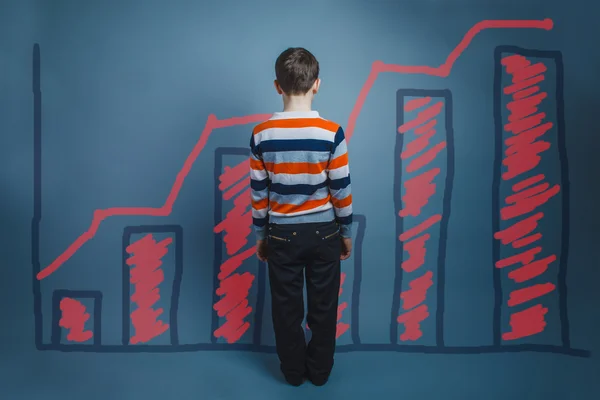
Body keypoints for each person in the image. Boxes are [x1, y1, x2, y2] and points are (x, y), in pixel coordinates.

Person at [249, 47, 353, 387]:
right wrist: (346, 232)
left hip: (281, 235)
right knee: (324, 309)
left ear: (277, 86)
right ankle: (320, 373)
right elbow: (341, 189)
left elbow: (258, 193)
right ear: (317, 84)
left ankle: (293, 373)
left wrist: (261, 237)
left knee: (286, 310)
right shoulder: (332, 132)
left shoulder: (261, 134)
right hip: (324, 233)